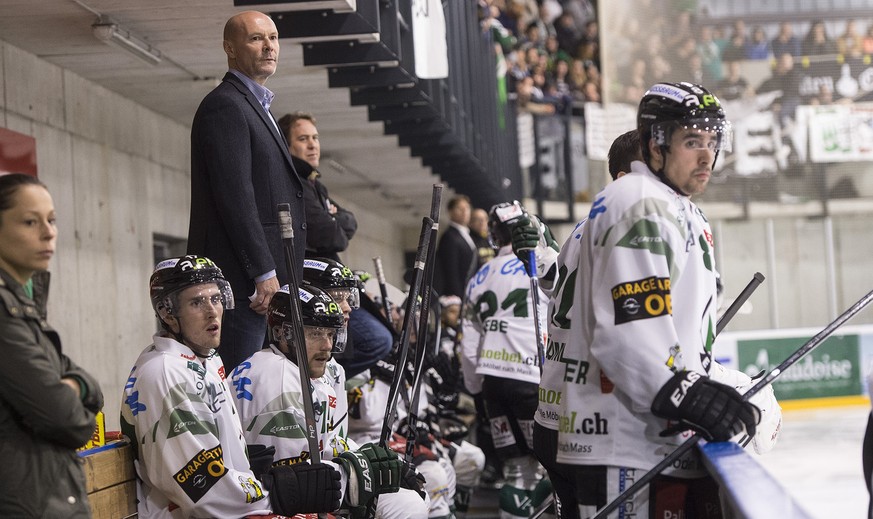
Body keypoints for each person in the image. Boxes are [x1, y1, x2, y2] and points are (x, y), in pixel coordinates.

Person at [520, 83, 763, 518]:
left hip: (627, 432)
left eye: (712, 141)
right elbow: (629, 330)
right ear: (656, 142)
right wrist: (687, 392)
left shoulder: (670, 205)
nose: (706, 155)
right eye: (692, 141)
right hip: (625, 439)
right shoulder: (639, 200)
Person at [121, 256, 342, 518]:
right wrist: (277, 492)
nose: (212, 311)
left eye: (215, 299)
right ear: (167, 313)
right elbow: (203, 492)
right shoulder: (167, 373)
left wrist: (244, 461)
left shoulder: (204, 360)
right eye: (196, 302)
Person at [231, 284, 427, 518]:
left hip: (297, 492)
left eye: (330, 334)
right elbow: (297, 482)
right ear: (283, 333)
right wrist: (364, 472)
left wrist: (375, 460)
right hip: (268, 504)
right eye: (315, 333)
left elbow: (328, 444)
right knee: (406, 505)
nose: (327, 346)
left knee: (405, 499)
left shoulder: (300, 371)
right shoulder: (280, 379)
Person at [187, 10, 306, 374]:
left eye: (273, 37)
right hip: (242, 289)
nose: (269, 46)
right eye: (256, 38)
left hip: (262, 287)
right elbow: (235, 197)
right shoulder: (226, 105)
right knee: (240, 393)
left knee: (259, 393)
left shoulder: (257, 106)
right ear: (230, 48)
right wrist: (263, 273)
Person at [0, 173, 104, 518]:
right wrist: (74, 388)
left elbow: (88, 387)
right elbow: (68, 419)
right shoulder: (4, 311)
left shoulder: (25, 305)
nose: (48, 233)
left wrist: (75, 383)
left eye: (52, 220)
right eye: (30, 221)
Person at [460, 201, 552, 519]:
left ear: (494, 236)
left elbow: (468, 345)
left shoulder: (478, 277)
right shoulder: (538, 265)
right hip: (531, 377)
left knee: (515, 471)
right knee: (549, 465)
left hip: (493, 384)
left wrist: (475, 389)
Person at [278, 112, 358, 261]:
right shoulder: (293, 184)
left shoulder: (315, 184)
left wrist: (332, 219)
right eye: (303, 139)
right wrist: (330, 218)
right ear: (286, 146)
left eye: (315, 138)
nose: (312, 145)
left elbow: (351, 221)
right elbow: (327, 236)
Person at [434, 195, 476, 298]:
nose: (464, 212)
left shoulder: (469, 235)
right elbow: (450, 271)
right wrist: (458, 297)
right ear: (450, 211)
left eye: (467, 208)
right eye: (459, 208)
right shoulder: (449, 236)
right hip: (459, 296)